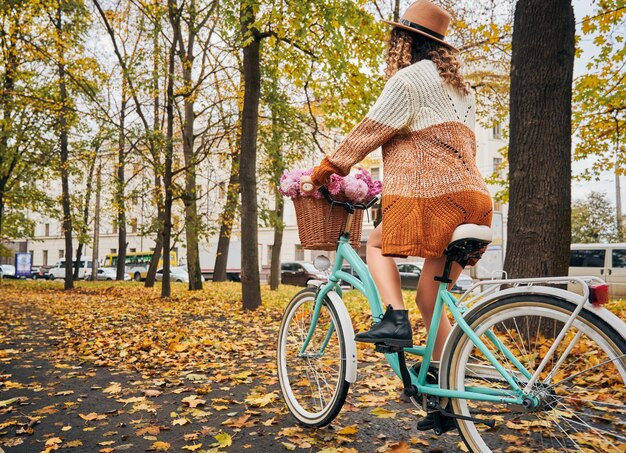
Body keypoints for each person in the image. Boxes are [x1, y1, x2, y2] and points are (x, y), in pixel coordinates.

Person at [300, 0, 493, 428]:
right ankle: (447, 403)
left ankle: (392, 321)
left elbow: (365, 135)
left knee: (376, 243)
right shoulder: (462, 90)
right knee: (431, 298)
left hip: (434, 194)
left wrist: (321, 174)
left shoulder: (408, 80)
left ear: (405, 39)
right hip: (475, 201)